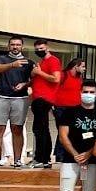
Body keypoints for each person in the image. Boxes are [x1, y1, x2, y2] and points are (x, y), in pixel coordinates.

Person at [0, 36, 33, 167]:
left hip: (20, 99)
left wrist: (25, 84)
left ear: (22, 46)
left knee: (17, 129)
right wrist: (12, 65)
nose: (15, 47)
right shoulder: (1, 59)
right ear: (8, 46)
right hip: (1, 97)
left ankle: (17, 160)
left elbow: (35, 78)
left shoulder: (29, 62)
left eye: (17, 45)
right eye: (12, 44)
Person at [29, 39, 62, 168]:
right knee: (39, 128)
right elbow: (38, 79)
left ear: (47, 47)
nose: (39, 51)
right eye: (37, 49)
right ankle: (41, 158)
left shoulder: (53, 60)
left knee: (41, 128)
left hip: (44, 99)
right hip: (37, 98)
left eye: (41, 48)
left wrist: (39, 72)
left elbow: (56, 79)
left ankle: (42, 158)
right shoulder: (42, 62)